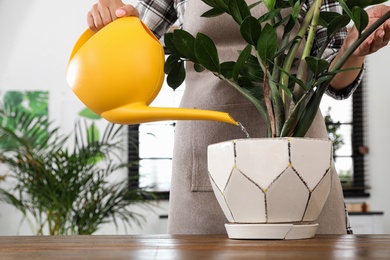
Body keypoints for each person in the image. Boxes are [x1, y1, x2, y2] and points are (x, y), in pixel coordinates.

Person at [87, 0, 390, 234]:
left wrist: (355, 45)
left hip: (297, 152)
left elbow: (333, 78)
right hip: (205, 161)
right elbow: (134, 42)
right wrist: (113, 21)